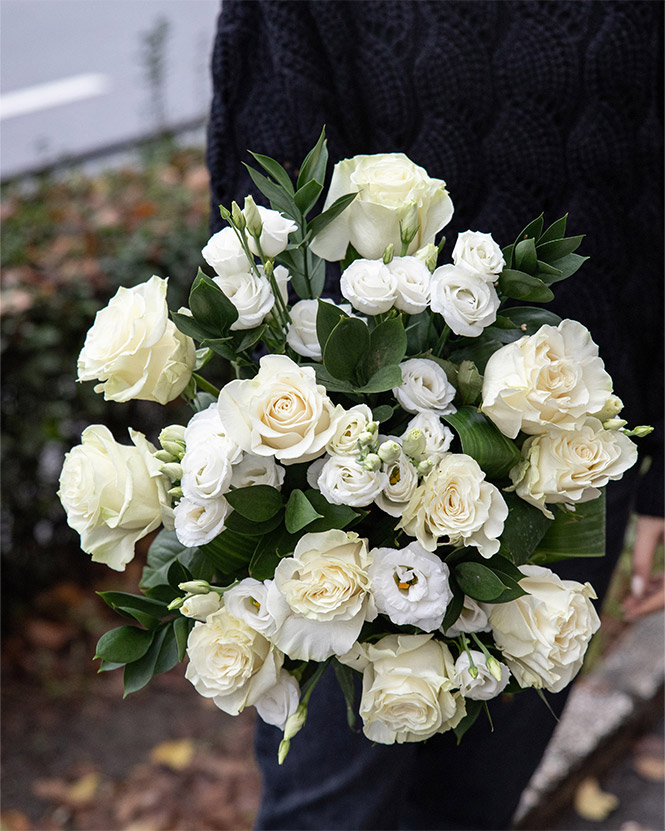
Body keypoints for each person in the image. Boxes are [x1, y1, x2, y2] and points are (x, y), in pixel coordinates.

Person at [206, 2, 664, 828]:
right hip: (348, 465)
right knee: (330, 803)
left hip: (574, 462)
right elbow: (260, 219)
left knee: (475, 794)